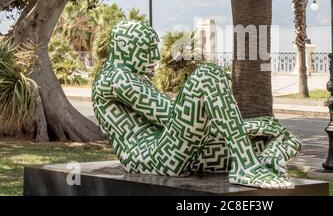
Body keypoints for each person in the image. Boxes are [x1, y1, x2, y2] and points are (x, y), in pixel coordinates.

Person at [92, 21, 301, 189]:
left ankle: (265, 160)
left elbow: (187, 123)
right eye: (147, 50)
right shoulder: (116, 77)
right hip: (148, 157)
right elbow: (172, 115)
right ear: (125, 50)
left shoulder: (128, 76)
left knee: (280, 138)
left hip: (172, 151)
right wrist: (248, 126)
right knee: (207, 75)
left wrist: (249, 128)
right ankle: (246, 165)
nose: (155, 57)